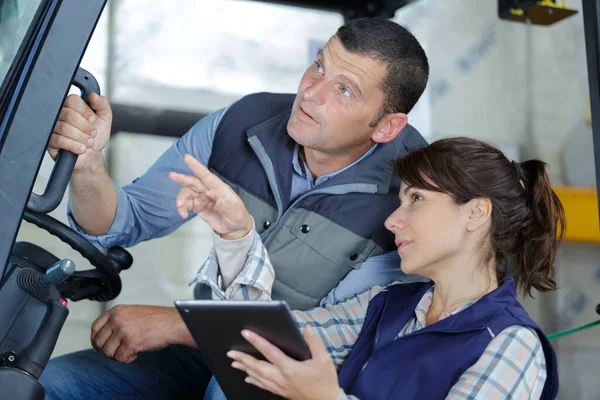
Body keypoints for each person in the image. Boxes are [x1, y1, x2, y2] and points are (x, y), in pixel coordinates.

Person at [40, 18, 430, 400]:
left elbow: (326, 339)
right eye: (318, 67)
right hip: (205, 349)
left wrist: (177, 324)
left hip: (308, 378)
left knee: (228, 388)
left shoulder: (415, 197)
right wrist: (88, 163)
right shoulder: (243, 123)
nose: (311, 93)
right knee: (51, 385)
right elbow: (124, 221)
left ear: (386, 127)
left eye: (344, 90)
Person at [172, 137, 563, 399]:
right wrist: (237, 235)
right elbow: (261, 342)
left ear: (476, 213)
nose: (393, 220)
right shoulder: (385, 305)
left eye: (416, 199)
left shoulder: (512, 344)